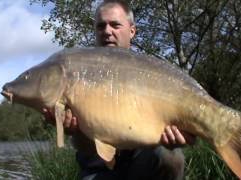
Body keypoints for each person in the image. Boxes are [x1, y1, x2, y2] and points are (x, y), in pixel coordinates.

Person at [44, 0, 195, 179]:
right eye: (101, 26)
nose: (107, 31)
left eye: (115, 25)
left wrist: (180, 136)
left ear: (132, 31)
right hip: (98, 169)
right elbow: (85, 149)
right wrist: (72, 131)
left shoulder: (151, 72)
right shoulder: (78, 72)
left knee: (171, 156)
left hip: (142, 160)